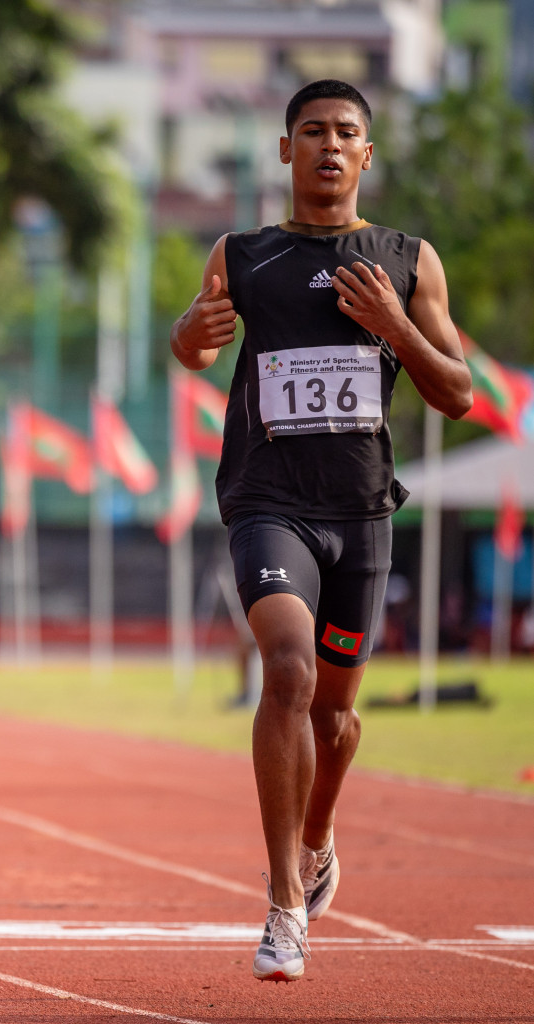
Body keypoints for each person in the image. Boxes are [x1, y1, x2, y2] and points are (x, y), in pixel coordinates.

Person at [170, 80, 471, 981]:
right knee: (290, 669)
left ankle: (318, 835)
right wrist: (191, 329)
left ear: (366, 157)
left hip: (362, 512)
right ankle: (282, 903)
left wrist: (391, 326)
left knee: (336, 718)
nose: (328, 146)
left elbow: (456, 392)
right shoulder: (244, 251)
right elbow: (192, 347)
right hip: (268, 501)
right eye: (312, 132)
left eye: (346, 133)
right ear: (284, 150)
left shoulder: (405, 260)